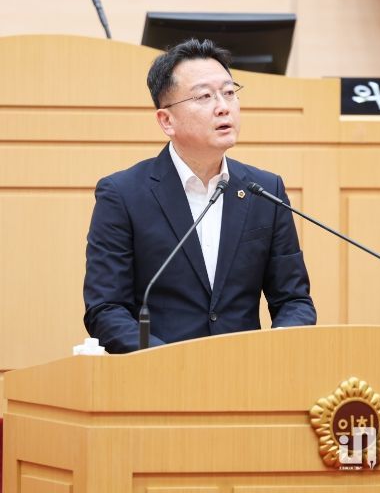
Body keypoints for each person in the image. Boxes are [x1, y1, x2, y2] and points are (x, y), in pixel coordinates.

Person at [83, 39, 316, 354]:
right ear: (167, 121)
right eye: (204, 96)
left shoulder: (265, 190)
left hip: (247, 371)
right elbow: (106, 309)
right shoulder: (122, 195)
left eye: (229, 92)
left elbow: (294, 300)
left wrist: (274, 351)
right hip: (159, 375)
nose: (223, 106)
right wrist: (168, 361)